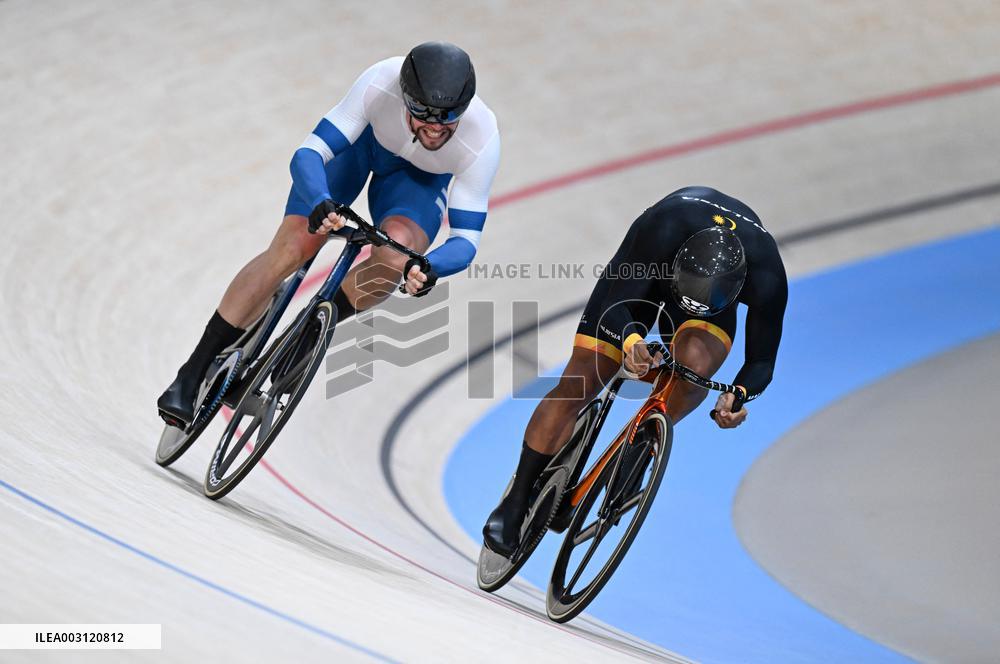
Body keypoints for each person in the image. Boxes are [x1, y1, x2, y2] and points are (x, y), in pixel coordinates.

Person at [158, 41, 500, 427]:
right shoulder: (380, 82)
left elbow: (466, 240)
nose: (435, 127)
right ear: (404, 97)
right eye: (422, 112)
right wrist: (320, 200)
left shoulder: (482, 137)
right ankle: (191, 373)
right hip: (360, 149)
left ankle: (314, 327)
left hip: (417, 182)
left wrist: (430, 267)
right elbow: (308, 154)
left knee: (397, 256)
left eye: (448, 117)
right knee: (292, 248)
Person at [482, 186, 788, 556]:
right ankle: (516, 499)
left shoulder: (767, 274)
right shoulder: (663, 228)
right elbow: (616, 303)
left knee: (694, 374)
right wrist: (630, 343)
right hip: (649, 274)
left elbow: (761, 362)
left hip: (710, 303)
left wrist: (737, 396)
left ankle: (641, 443)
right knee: (584, 377)